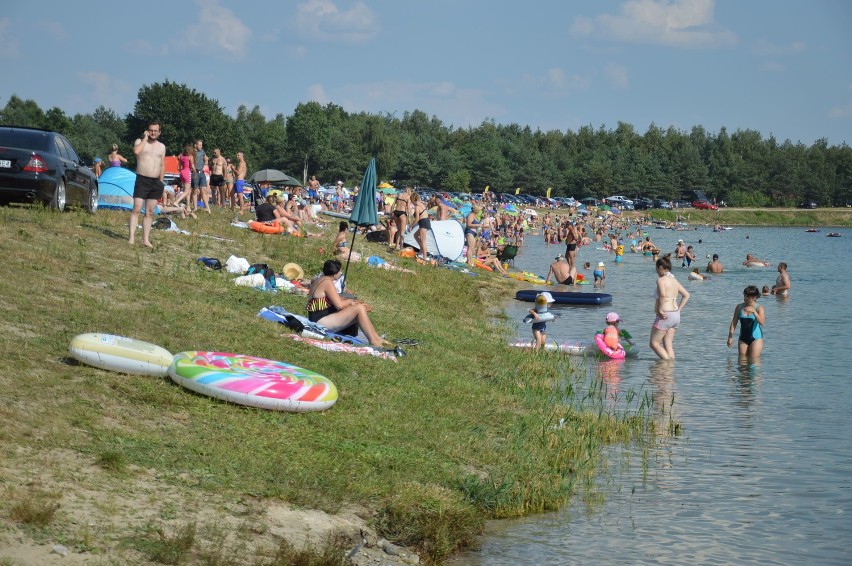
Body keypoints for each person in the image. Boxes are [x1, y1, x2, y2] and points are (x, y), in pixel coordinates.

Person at [305, 259, 392, 348]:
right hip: (320, 322)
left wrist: (354, 303)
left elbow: (334, 299)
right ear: (335, 273)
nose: (340, 273)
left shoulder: (319, 280)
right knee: (359, 308)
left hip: (317, 318)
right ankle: (373, 341)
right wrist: (351, 302)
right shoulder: (327, 282)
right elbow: (339, 305)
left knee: (359, 309)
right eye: (339, 271)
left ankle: (376, 338)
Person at [128, 120, 166, 248]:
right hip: (142, 179)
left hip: (155, 182)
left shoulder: (162, 147)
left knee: (150, 212)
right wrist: (145, 138)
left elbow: (162, 165)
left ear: (159, 132)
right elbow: (136, 152)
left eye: (155, 130)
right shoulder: (140, 142)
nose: (153, 132)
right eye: (151, 130)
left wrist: (161, 182)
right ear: (147, 130)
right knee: (136, 209)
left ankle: (145, 239)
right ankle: (132, 238)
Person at [649, 256, 690, 360]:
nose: (656, 271)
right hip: (676, 315)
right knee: (668, 344)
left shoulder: (661, 280)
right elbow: (686, 295)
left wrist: (659, 310)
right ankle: (669, 372)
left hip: (665, 314)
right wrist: (679, 310)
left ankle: (667, 363)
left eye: (657, 268)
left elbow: (662, 295)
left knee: (654, 343)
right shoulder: (674, 280)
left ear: (661, 267)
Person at [727, 285, 765, 357]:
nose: (745, 298)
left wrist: (754, 312)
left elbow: (762, 322)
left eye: (747, 296)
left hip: (756, 338)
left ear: (754, 297)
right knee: (742, 363)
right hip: (743, 338)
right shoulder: (739, 307)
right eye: (744, 295)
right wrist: (730, 337)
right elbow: (734, 322)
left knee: (754, 362)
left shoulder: (759, 308)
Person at [191, 139, 209, 213]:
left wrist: (205, 164)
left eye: (202, 145)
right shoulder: (192, 152)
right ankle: (195, 208)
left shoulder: (202, 151)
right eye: (200, 145)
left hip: (202, 173)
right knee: (195, 191)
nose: (201, 146)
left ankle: (207, 208)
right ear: (195, 145)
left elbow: (206, 159)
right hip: (195, 173)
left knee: (203, 191)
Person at [411, 192, 431, 260]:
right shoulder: (422, 204)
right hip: (426, 221)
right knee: (415, 235)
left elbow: (417, 219)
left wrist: (411, 226)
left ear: (413, 200)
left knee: (423, 241)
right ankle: (421, 251)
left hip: (423, 222)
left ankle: (425, 257)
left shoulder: (417, 207)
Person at [174, 143, 194, 209]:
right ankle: (177, 201)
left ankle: (188, 206)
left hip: (182, 172)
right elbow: (193, 167)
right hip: (187, 172)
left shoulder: (181, 157)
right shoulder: (190, 157)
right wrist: (195, 172)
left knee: (186, 190)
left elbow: (179, 168)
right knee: (187, 191)